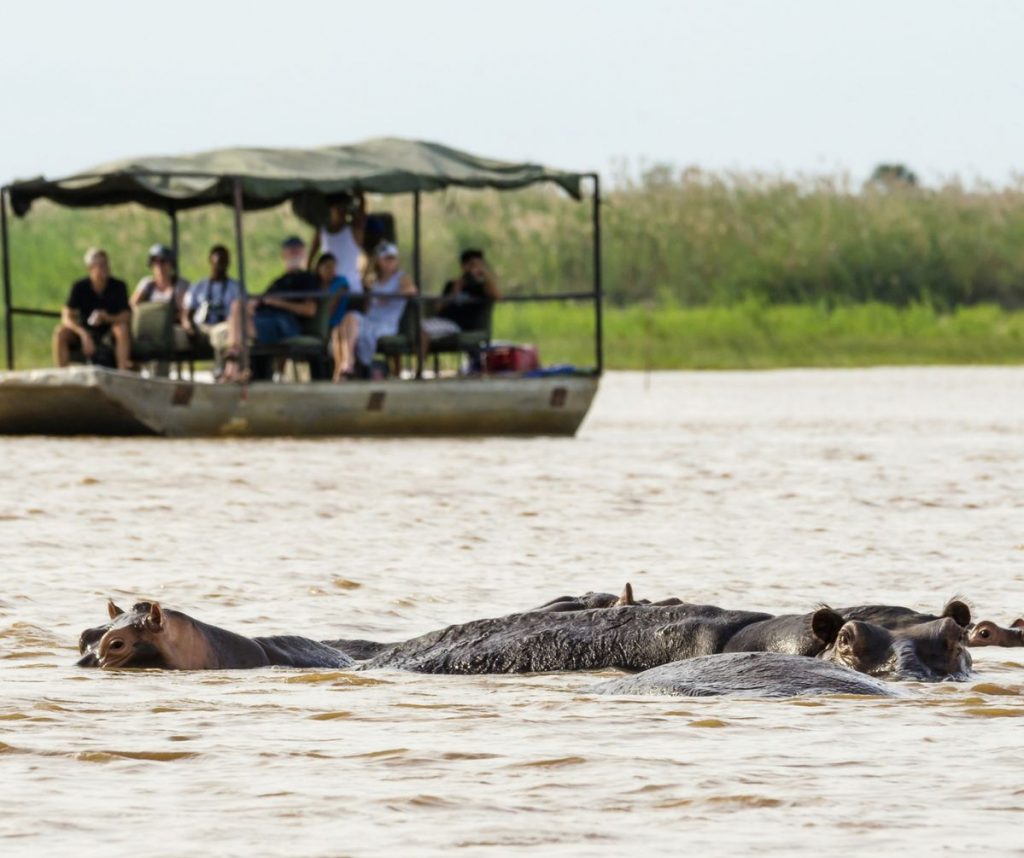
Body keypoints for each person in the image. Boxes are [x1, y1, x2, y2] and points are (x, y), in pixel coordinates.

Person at [222, 236, 318, 379]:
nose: (294, 254)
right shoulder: (279, 281)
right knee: (238, 305)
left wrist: (278, 303)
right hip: (265, 319)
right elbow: (263, 300)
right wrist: (253, 305)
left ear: (304, 254)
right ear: (283, 255)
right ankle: (234, 364)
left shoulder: (308, 279)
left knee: (238, 319)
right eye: (290, 251)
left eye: (297, 251)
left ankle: (235, 366)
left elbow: (310, 310)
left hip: (286, 323)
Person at [332, 242, 416, 381]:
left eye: (392, 258)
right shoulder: (373, 281)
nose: (390, 262)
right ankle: (340, 371)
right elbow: (368, 308)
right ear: (378, 260)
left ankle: (348, 363)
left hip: (386, 325)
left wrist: (389, 296)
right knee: (340, 328)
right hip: (370, 320)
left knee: (350, 320)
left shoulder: (402, 277)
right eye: (386, 258)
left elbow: (412, 291)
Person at [52, 248, 131, 370]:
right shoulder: (79, 287)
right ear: (90, 268)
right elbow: (66, 315)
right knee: (61, 333)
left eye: (106, 264)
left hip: (109, 332)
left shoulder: (118, 286)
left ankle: (122, 373)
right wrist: (82, 334)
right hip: (85, 331)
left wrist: (107, 318)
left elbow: (126, 315)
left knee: (122, 329)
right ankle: (62, 374)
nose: (104, 268)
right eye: (100, 265)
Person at [420, 249, 501, 356]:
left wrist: (485, 274)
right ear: (463, 266)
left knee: (422, 330)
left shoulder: (481, 287)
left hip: (460, 325)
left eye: (477, 265)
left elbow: (498, 296)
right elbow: (438, 308)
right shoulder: (452, 284)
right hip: (443, 322)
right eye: (471, 265)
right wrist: (454, 293)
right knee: (417, 328)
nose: (474, 269)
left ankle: (419, 369)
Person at [184, 245, 242, 363]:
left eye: (223, 262)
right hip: (202, 327)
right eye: (217, 262)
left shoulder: (235, 288)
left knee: (221, 334)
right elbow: (187, 312)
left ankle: (222, 368)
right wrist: (189, 327)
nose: (220, 266)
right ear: (210, 261)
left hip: (225, 325)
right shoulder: (198, 286)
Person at [307, 192, 366, 301]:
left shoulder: (354, 231)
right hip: (329, 293)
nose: (342, 212)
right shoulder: (322, 231)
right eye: (338, 208)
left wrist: (360, 194)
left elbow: (361, 216)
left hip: (352, 292)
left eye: (344, 208)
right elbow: (312, 254)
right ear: (330, 210)